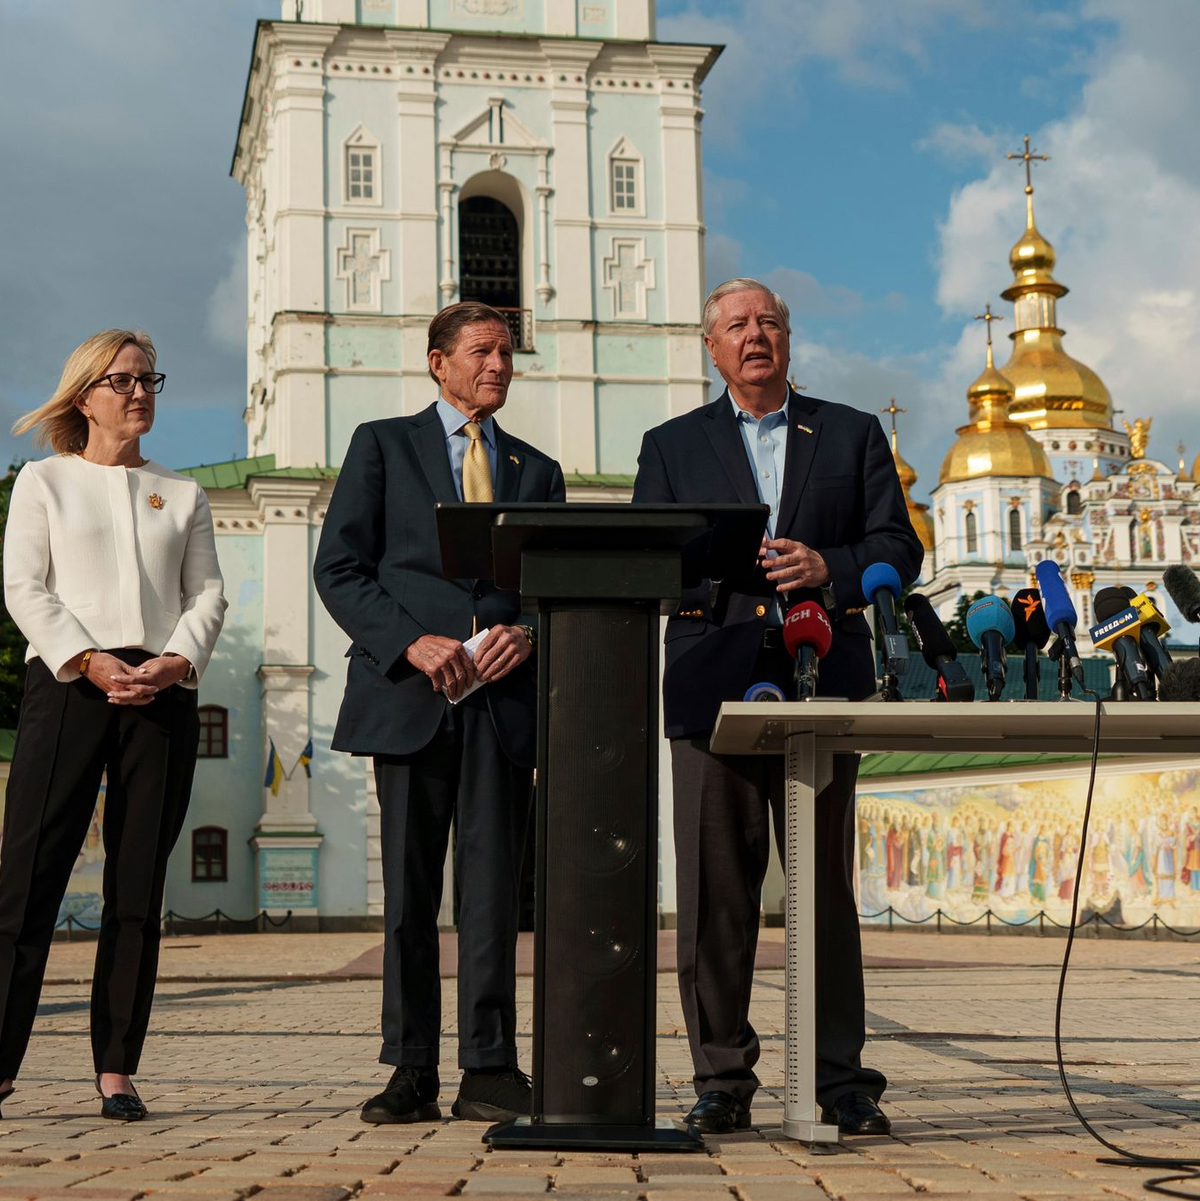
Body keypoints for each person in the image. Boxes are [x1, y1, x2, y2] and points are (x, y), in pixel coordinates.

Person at [632, 278, 922, 1136]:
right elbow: (651, 568)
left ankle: (843, 1081)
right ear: (711, 348)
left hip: (824, 683)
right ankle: (721, 1078)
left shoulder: (851, 432)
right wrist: (727, 568)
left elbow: (898, 549)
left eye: (768, 322)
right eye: (736, 326)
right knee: (716, 895)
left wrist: (827, 564)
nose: (754, 336)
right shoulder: (670, 445)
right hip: (712, 686)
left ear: (788, 340)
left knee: (824, 890)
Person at [314, 301, 565, 1125]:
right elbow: (342, 568)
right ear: (438, 362)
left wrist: (526, 634)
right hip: (409, 696)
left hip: (502, 707)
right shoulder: (382, 445)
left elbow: (554, 588)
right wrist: (411, 643)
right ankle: (411, 1067)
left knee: (495, 892)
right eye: (482, 351)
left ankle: (490, 1065)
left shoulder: (539, 470)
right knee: (409, 893)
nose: (498, 364)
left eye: (506, 352)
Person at [0, 329, 226, 1121]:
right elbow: (25, 588)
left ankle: (117, 1069)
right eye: (123, 380)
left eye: (149, 379)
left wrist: (173, 662)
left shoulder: (185, 493)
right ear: (84, 393)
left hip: (161, 692)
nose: (140, 392)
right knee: (28, 881)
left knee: (137, 888)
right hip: (68, 684)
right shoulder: (44, 481)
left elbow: (207, 597)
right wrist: (90, 660)